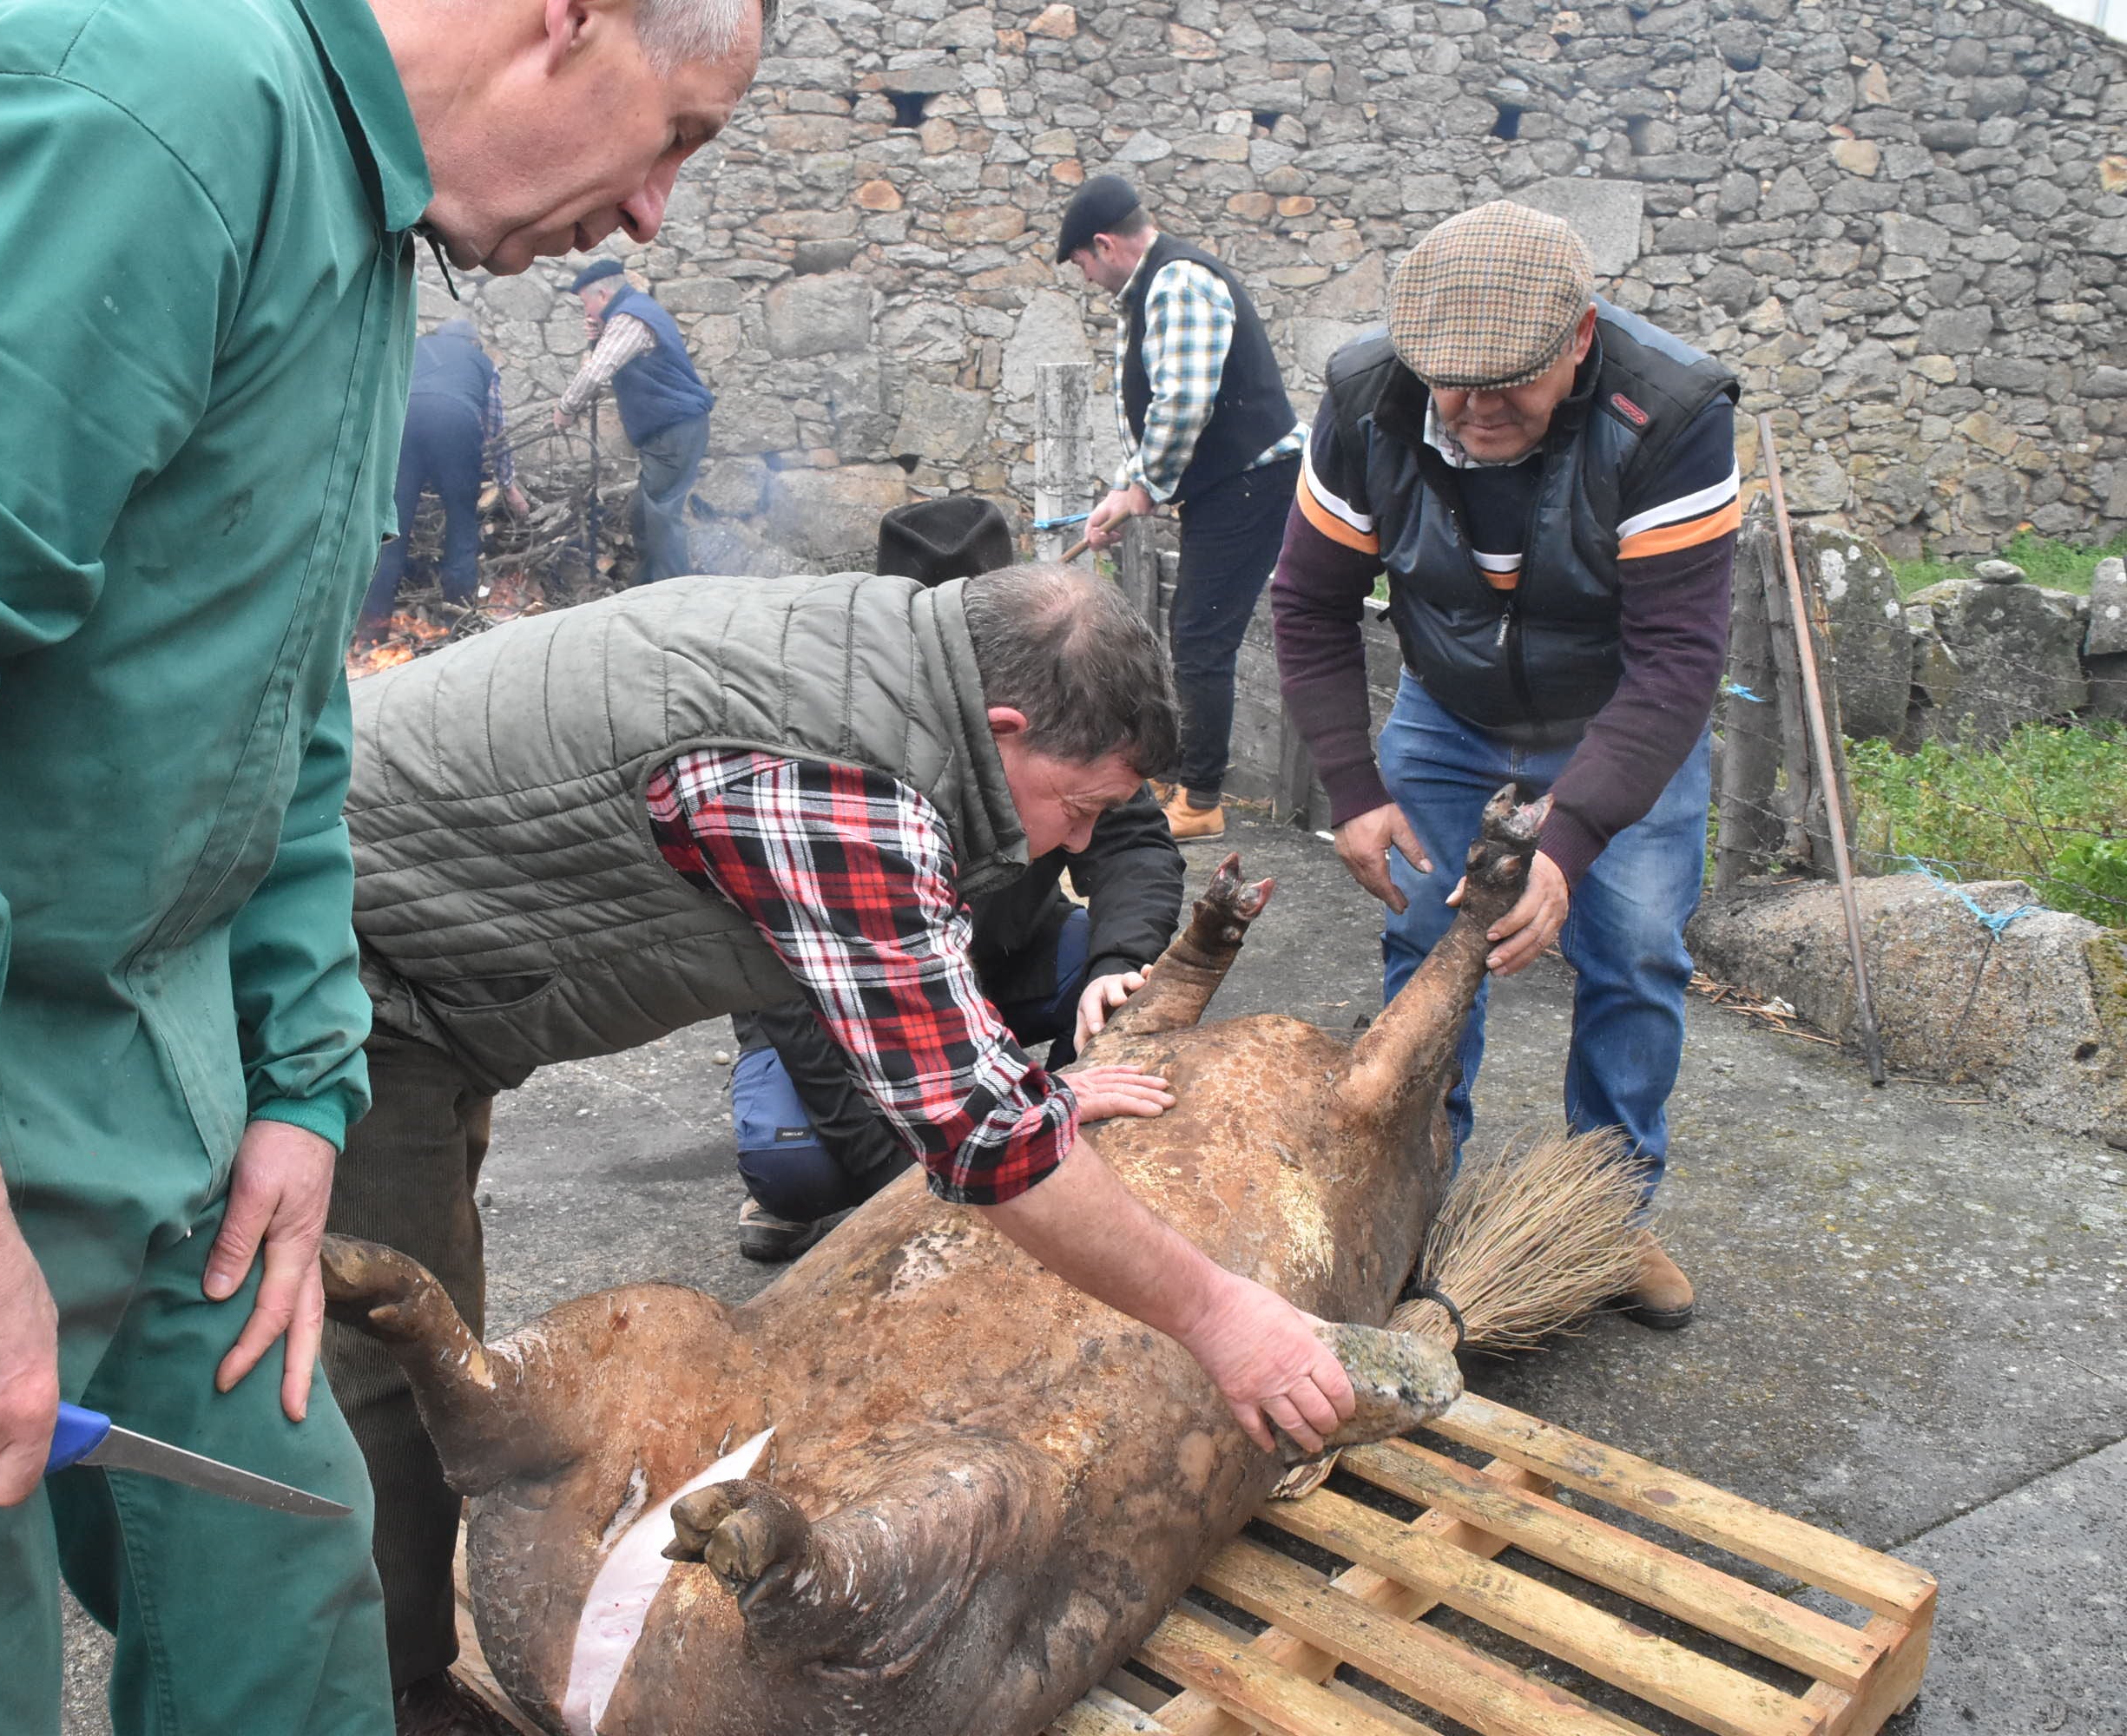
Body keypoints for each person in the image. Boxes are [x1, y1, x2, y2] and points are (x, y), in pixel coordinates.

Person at [0, 0, 770, 1730]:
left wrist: (298, 1078)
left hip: (120, 987)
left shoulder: (355, 225)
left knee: (286, 1587)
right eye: (682, 134)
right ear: (564, 19)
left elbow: (272, 706)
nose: (654, 214)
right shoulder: (150, 117)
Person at [334, 563, 1359, 1726]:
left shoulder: (885, 650)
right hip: (340, 952)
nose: (1069, 842)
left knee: (403, 1290)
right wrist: (1223, 1318)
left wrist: (1029, 1097)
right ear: (1006, 728)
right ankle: (389, 1693)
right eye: (1078, 809)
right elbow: (975, 1138)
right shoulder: (844, 793)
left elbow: (948, 1057)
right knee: (366, 1355)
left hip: (432, 956)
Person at [1270, 201, 1741, 1332]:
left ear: (1579, 338)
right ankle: (1409, 1205)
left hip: (1621, 710)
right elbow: (1311, 604)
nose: (1476, 411)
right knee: (1428, 938)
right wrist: (1355, 790)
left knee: (1631, 954)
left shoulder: (1668, 413)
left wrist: (1568, 847)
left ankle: (1607, 1214)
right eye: (1452, 384)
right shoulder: (1369, 400)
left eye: (1508, 384)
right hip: (1449, 708)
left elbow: (1679, 663)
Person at [728, 497, 1187, 1260]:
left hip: (1001, 962)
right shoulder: (822, 752)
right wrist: (919, 1193)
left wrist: (1118, 965)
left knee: (1107, 981)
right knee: (796, 1161)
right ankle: (979, 1154)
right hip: (837, 1013)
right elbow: (787, 999)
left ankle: (1056, 1141)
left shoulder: (1058, 698)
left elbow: (1132, 844)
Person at [1057, 175, 1303, 843]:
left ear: (1104, 245)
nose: (1084, 277)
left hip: (1252, 479)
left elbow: (1184, 403)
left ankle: (1201, 800)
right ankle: (1181, 777)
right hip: (1229, 483)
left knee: (1201, 636)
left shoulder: (1178, 283)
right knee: (1191, 629)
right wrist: (1123, 489)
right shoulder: (1152, 290)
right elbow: (1155, 411)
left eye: (1080, 262)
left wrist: (1144, 488)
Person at [358, 317, 532, 636]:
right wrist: (508, 485)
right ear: (474, 344)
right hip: (456, 424)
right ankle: (458, 623)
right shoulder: (481, 362)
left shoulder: (412, 349)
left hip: (403, 425)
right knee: (462, 522)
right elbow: (495, 428)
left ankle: (371, 631)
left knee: (392, 529)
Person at [551, 256, 713, 584]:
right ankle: (644, 587)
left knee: (662, 517)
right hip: (669, 430)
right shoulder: (630, 313)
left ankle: (677, 593)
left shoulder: (630, 319)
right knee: (642, 515)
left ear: (603, 296)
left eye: (586, 303)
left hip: (675, 429)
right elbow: (608, 357)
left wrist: (566, 408)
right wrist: (597, 336)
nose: (587, 312)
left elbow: (598, 370)